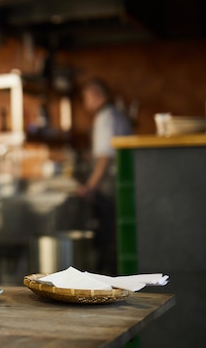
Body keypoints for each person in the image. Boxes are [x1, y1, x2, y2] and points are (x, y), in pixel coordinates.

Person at [78, 78, 132, 275]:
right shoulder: (114, 114)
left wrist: (90, 187)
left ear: (95, 95)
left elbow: (105, 158)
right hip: (120, 185)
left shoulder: (105, 117)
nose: (85, 103)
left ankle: (108, 284)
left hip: (111, 188)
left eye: (86, 97)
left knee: (109, 240)